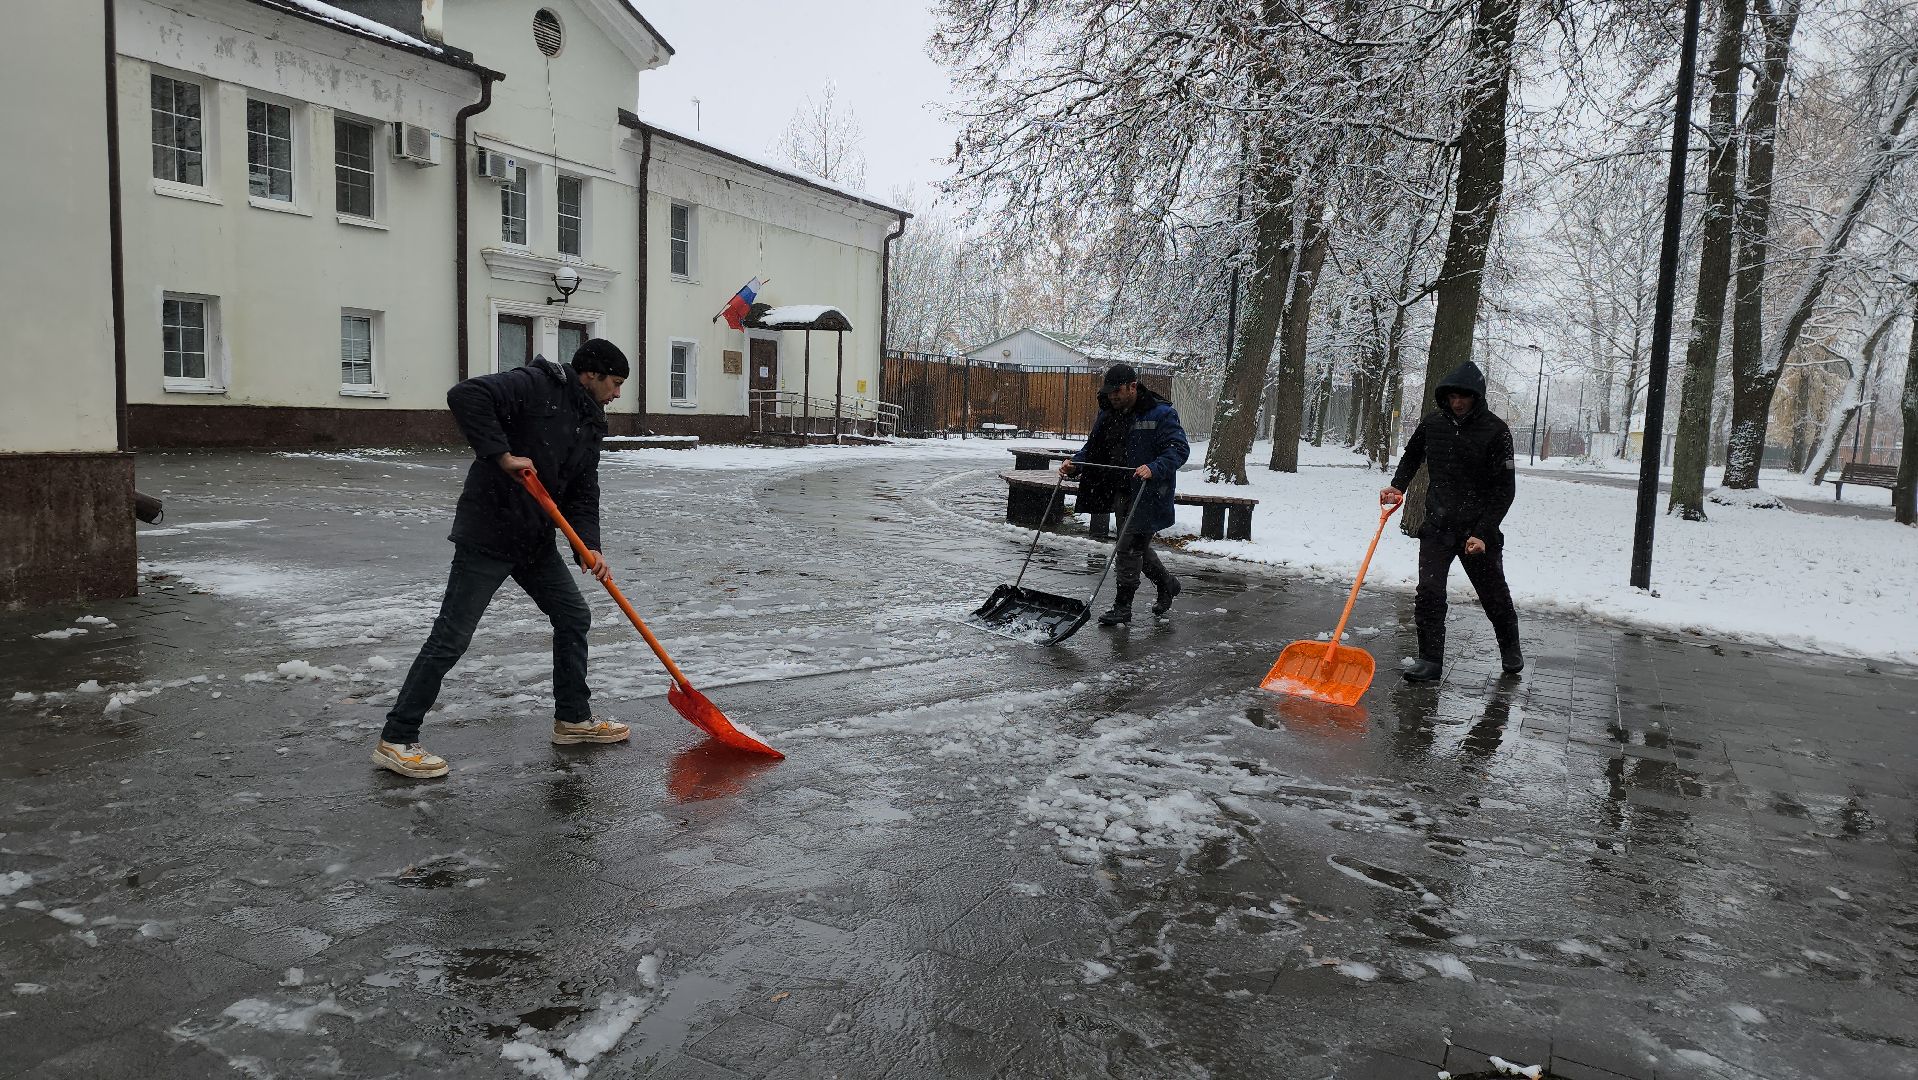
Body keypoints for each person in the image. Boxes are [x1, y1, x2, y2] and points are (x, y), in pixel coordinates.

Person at [373, 340, 633, 779]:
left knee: (573, 615)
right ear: (591, 374)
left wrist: (588, 545)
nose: (618, 393)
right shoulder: (536, 385)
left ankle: (572, 719)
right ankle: (396, 738)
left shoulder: (591, 420)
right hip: (489, 534)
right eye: (616, 383)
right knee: (451, 638)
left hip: (534, 540)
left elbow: (584, 489)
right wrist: (501, 455)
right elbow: (466, 395)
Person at [1379, 359, 1522, 683]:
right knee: (1429, 593)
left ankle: (1510, 647)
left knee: (1493, 593)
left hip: (1476, 531)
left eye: (1464, 397)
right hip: (1438, 526)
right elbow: (1413, 454)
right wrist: (1398, 485)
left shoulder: (1496, 431)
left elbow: (1504, 490)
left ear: (1476, 397)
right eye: (1452, 396)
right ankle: (1430, 660)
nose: (1457, 403)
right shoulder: (1433, 423)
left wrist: (1484, 532)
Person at [1061, 364, 1189, 626]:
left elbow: (1178, 449)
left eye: (1117, 391)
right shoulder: (1109, 413)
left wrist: (1154, 468)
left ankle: (1123, 607)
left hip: (1149, 492)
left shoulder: (1161, 413)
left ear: (1133, 386)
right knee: (1135, 546)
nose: (1113, 397)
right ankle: (1167, 583)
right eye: (1109, 392)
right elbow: (1093, 449)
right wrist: (1075, 463)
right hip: (1121, 490)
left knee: (1128, 547)